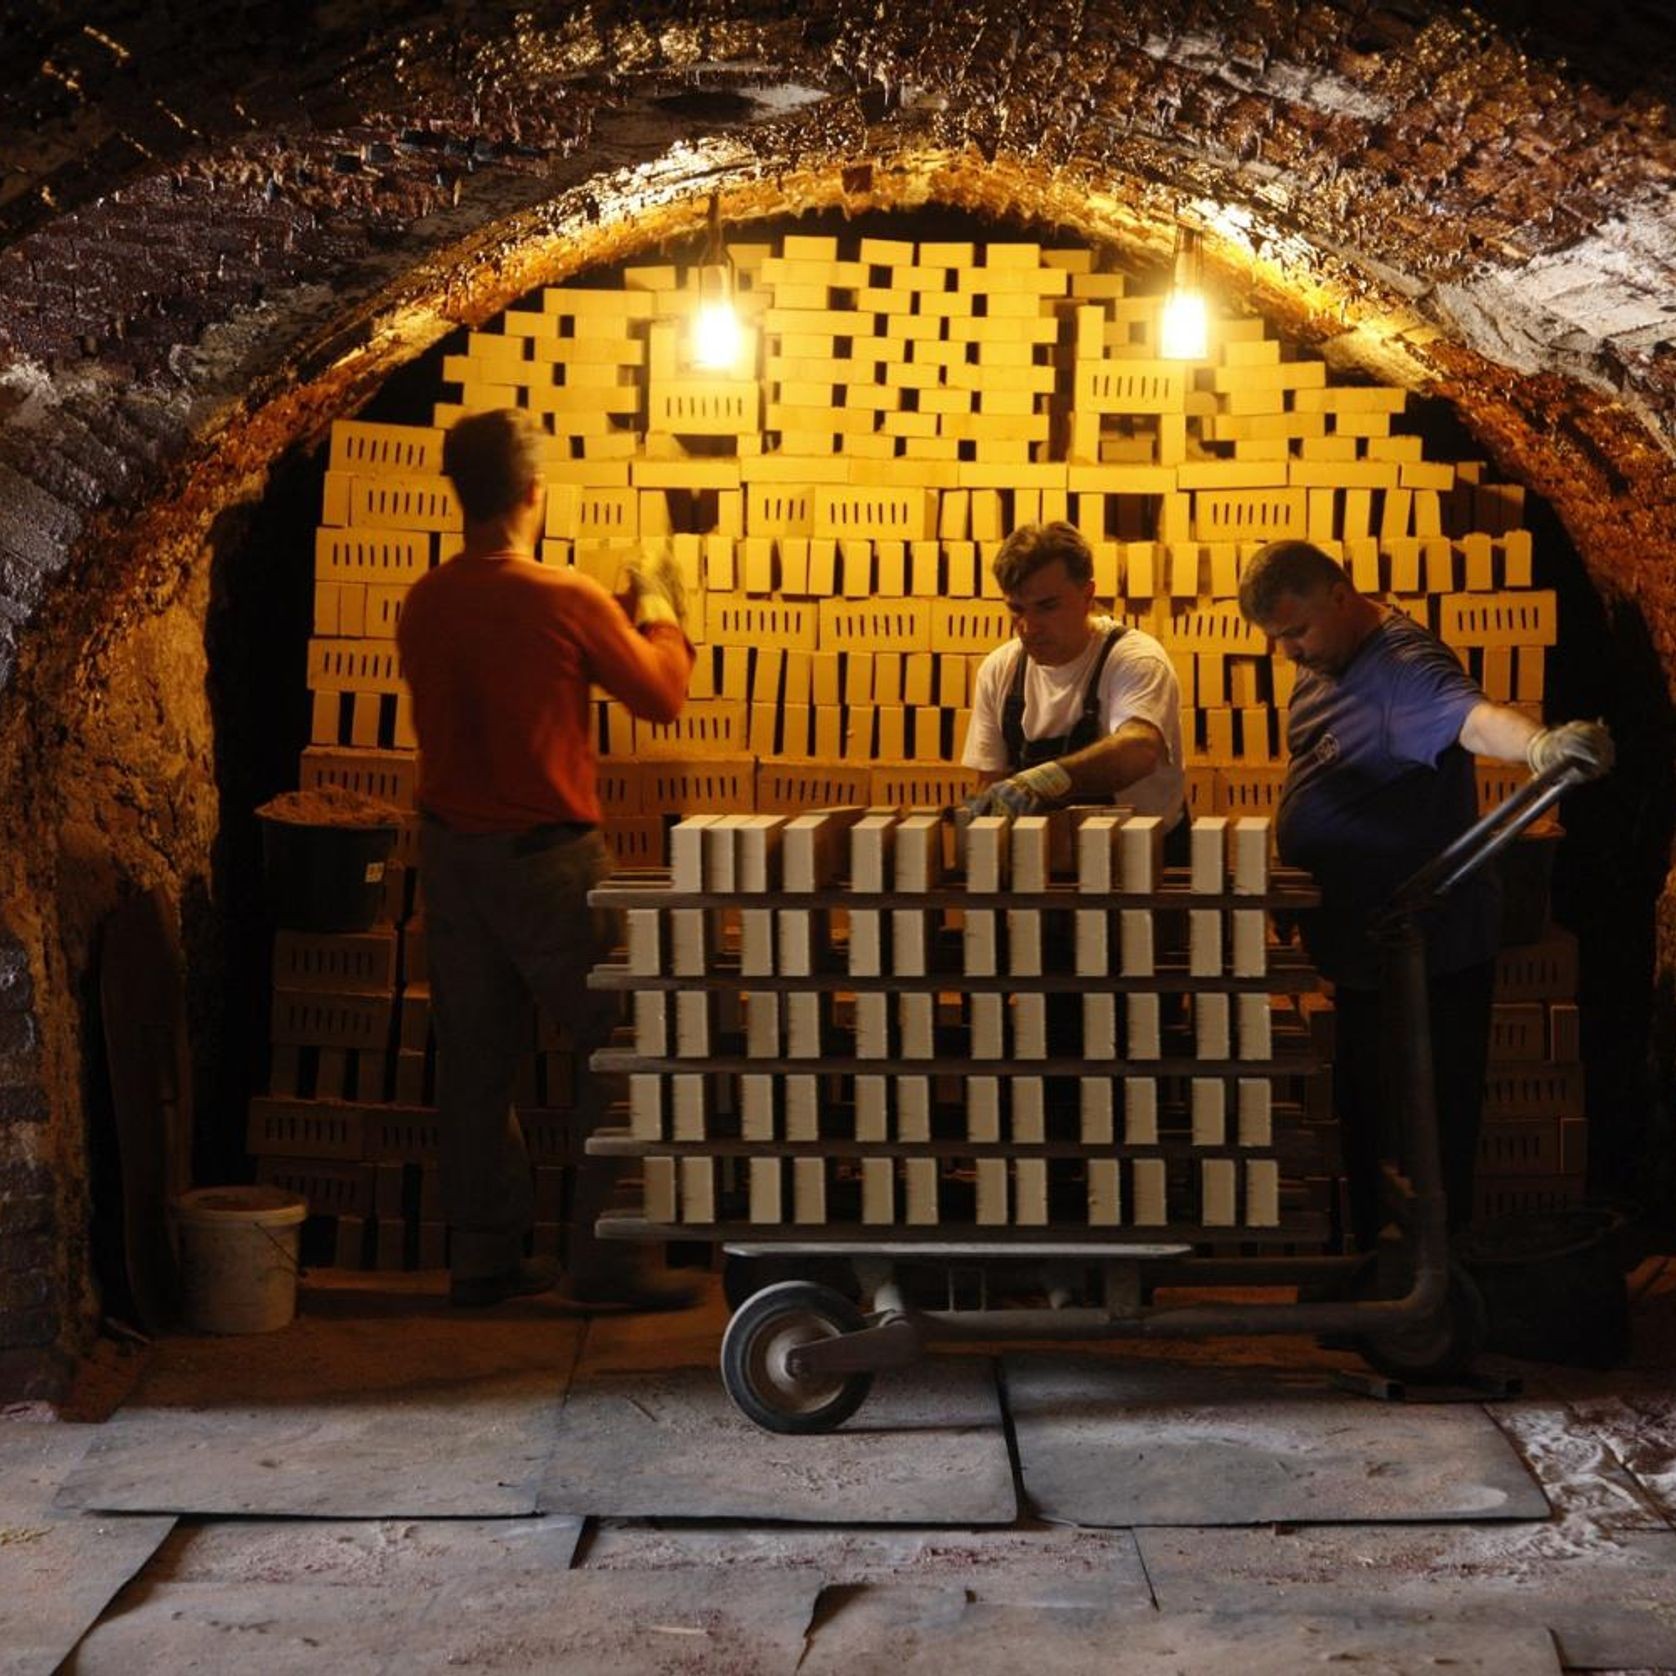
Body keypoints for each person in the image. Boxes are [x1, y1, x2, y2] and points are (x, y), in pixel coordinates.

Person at [397, 408, 696, 1309]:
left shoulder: (426, 598)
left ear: (459, 493)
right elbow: (662, 696)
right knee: (627, 1040)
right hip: (548, 861)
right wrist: (658, 603)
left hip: (450, 857)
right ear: (535, 493)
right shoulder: (561, 596)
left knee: (478, 1061)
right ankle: (608, 1263)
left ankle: (485, 1261)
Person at [1237, 539, 1612, 1250]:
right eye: (1276, 638)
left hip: (1425, 956)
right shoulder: (1329, 658)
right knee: (1370, 1120)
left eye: (1297, 631)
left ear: (1340, 595)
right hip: (1369, 948)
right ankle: (1384, 1283)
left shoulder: (1404, 669)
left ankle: (1428, 1295)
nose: (1288, 652)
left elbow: (1471, 717)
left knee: (1424, 1135)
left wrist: (1538, 749)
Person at [961, 522, 1186, 839]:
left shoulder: (1135, 659)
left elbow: (1139, 749)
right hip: (1046, 858)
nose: (1029, 626)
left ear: (1088, 595)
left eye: (1047, 607)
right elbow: (991, 782)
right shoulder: (1000, 670)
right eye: (1016, 609)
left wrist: (1039, 782)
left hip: (1144, 857)